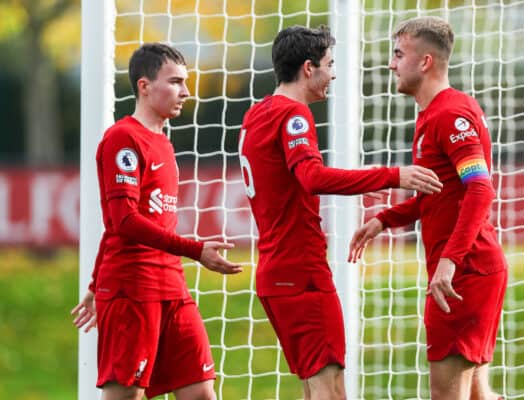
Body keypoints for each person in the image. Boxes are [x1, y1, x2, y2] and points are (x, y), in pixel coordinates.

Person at [238, 25, 443, 399]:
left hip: (275, 271)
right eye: (329, 65)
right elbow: (312, 177)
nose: (333, 74)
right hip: (301, 272)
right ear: (307, 68)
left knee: (315, 388)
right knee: (330, 389)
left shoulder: (257, 114)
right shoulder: (293, 116)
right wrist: (394, 175)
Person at [71, 43, 243, 400]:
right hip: (133, 289)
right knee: (126, 396)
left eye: (186, 82)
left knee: (201, 392)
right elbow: (124, 220)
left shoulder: (162, 142)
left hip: (171, 286)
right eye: (176, 82)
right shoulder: (123, 138)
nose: (185, 92)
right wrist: (196, 250)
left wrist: (94, 281)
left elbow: (117, 224)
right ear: (145, 86)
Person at [348, 17, 507, 400]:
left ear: (425, 62)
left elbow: (480, 189)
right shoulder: (434, 113)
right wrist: (384, 220)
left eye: (399, 54)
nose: (391, 64)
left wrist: (450, 261)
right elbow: (439, 194)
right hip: (470, 271)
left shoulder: (449, 115)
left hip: (463, 274)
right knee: (477, 395)